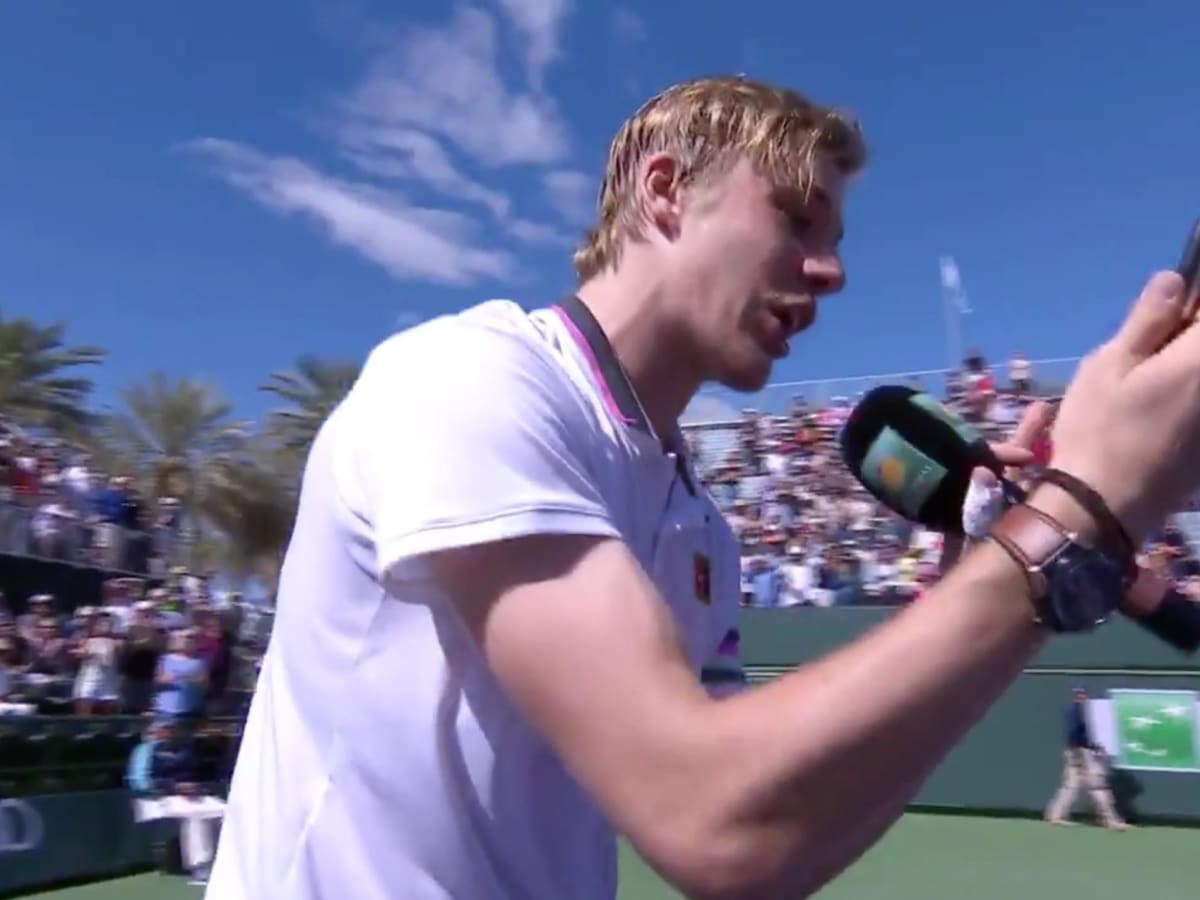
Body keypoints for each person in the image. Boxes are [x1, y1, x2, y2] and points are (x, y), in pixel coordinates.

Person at [206, 74, 1200, 900]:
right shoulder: (468, 378)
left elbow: (775, 834)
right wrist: (1073, 515)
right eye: (798, 217)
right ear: (667, 191)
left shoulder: (702, 530)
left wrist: (1007, 556)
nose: (833, 270)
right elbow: (707, 818)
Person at [1044, 687, 1128, 829]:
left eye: (1083, 693)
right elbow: (1077, 732)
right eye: (1080, 693)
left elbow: (1079, 733)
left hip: (1074, 750)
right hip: (1081, 752)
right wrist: (1087, 749)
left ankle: (1055, 815)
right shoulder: (1078, 710)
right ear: (1077, 695)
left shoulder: (1074, 709)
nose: (1082, 696)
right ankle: (1109, 820)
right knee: (1097, 786)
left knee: (1071, 785)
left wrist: (1089, 747)